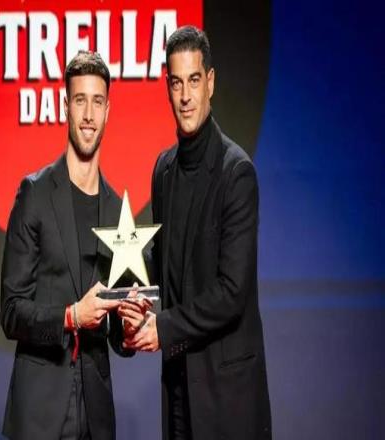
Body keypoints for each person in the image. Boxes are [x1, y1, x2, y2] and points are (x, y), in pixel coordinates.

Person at [122, 26, 272, 439]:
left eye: (193, 80)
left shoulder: (236, 173)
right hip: (178, 388)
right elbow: (163, 262)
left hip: (227, 396)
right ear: (167, 87)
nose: (185, 95)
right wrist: (129, 301)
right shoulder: (164, 170)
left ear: (211, 82)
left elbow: (232, 292)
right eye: (176, 83)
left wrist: (163, 328)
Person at [0, 50, 136, 440]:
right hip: (40, 411)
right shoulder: (35, 193)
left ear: (108, 111)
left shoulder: (117, 211)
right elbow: (11, 311)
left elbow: (118, 338)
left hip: (96, 415)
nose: (89, 114)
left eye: (97, 102)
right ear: (65, 106)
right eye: (80, 101)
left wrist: (129, 327)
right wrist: (71, 316)